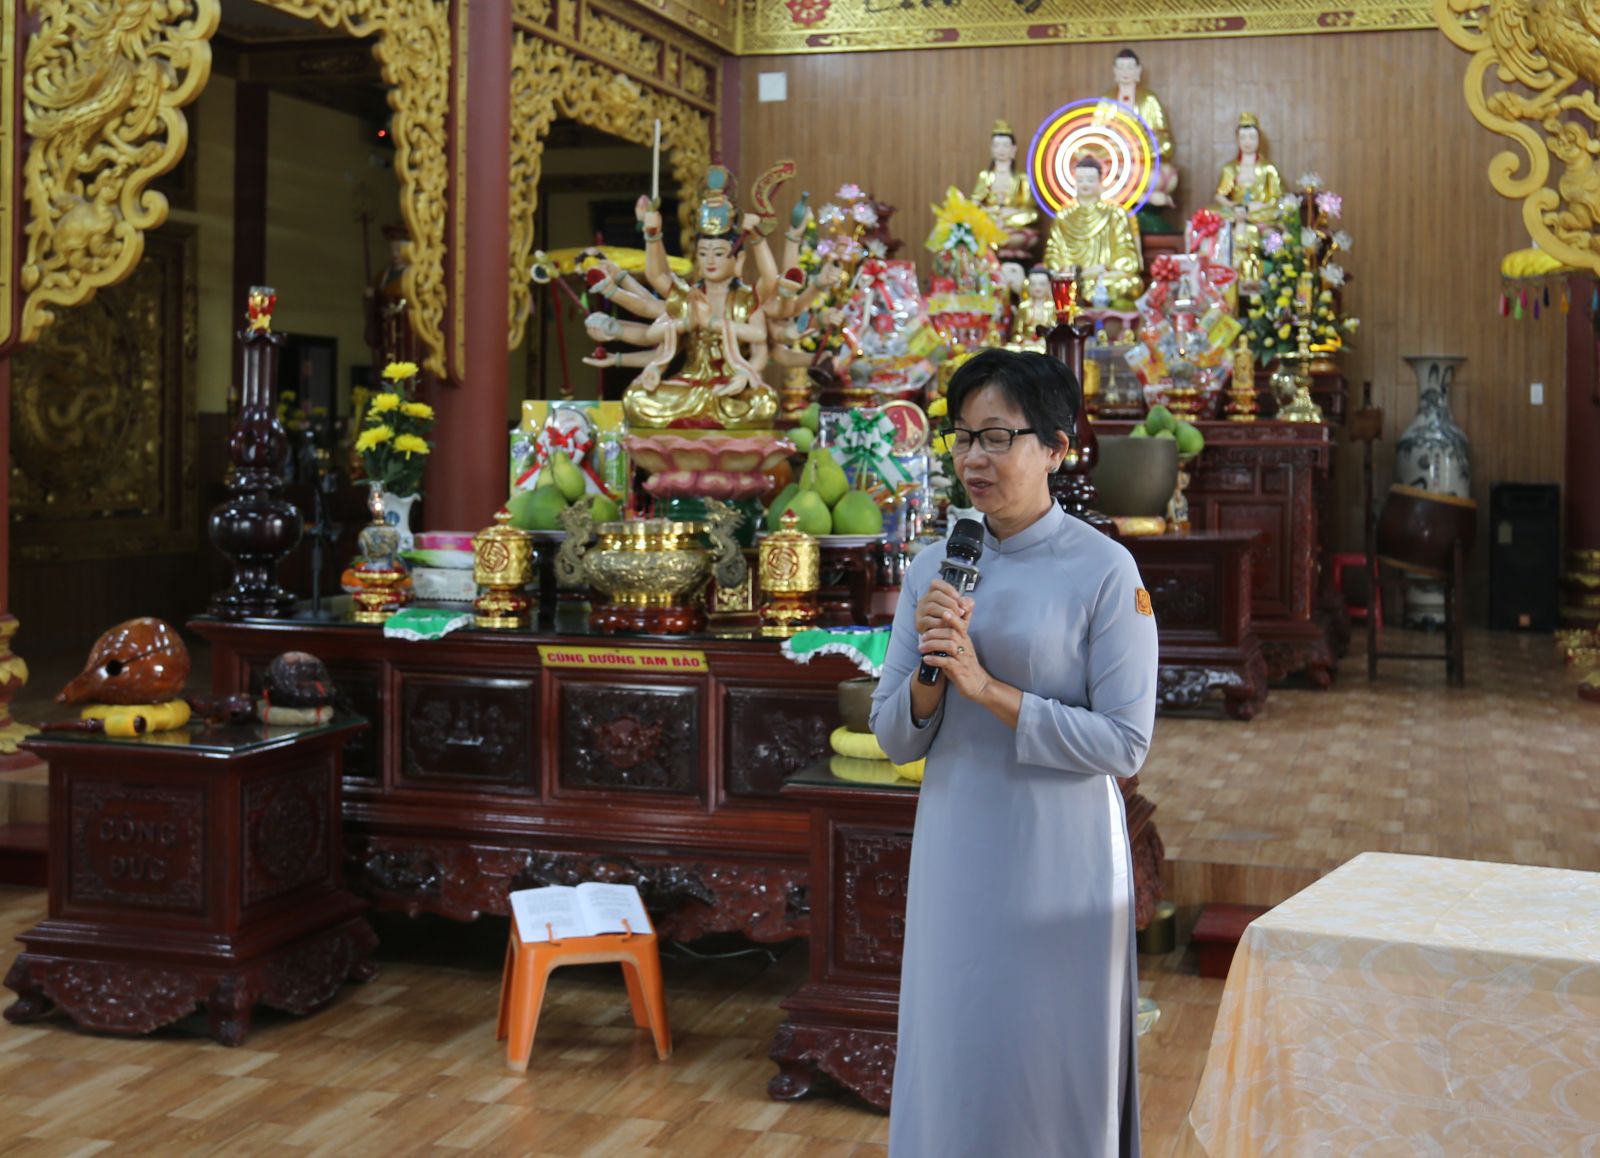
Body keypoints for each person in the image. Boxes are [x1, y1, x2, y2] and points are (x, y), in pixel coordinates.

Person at [870, 347, 1158, 1158]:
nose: (974, 459)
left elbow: (1125, 742)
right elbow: (894, 732)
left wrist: (989, 689)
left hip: (1058, 855)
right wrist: (932, 678)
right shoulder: (937, 566)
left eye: (997, 438)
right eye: (963, 438)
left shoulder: (1106, 572)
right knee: (955, 1039)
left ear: (1057, 448)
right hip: (957, 839)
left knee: (1046, 1050)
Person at [1044, 154, 1145, 306]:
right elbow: (1052, 253)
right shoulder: (1063, 215)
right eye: (1080, 180)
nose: (1085, 184)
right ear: (1074, 183)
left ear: (1100, 183)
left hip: (1103, 277)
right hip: (1071, 277)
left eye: (1090, 180)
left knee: (1130, 284)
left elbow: (1127, 255)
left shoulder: (1114, 213)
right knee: (1044, 283)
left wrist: (1104, 269)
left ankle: (1083, 294)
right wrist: (1065, 268)